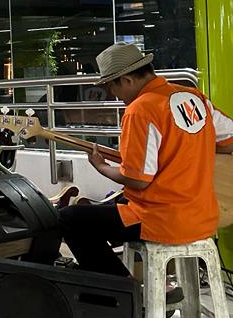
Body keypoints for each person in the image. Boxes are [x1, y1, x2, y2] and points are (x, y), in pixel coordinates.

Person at [58, 42, 233, 278]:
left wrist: (101, 167)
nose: (113, 95)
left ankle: (124, 290)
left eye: (111, 87)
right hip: (204, 217)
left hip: (161, 219)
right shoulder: (194, 98)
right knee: (105, 212)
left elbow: (137, 179)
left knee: (70, 219)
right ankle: (155, 285)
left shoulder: (140, 110)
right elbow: (229, 142)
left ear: (127, 80)